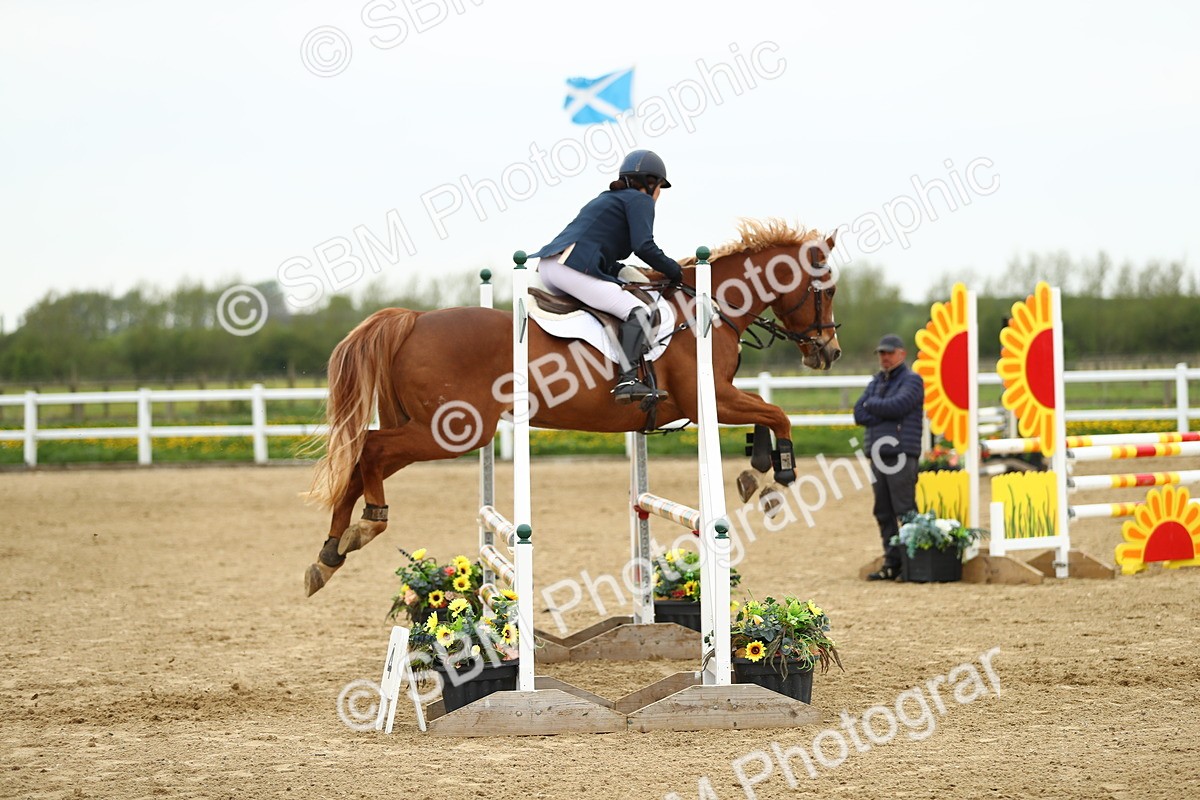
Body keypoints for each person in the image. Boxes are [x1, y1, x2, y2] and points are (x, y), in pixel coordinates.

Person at [528, 149, 684, 405]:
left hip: (550, 267)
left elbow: (601, 252)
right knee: (637, 310)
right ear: (651, 183)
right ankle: (627, 380)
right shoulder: (639, 200)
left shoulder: (611, 198)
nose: (659, 195)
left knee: (614, 301)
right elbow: (644, 246)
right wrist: (673, 270)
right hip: (568, 268)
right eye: (660, 188)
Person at [853, 333, 926, 581]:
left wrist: (873, 406)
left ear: (901, 354)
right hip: (878, 455)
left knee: (904, 510)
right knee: (883, 511)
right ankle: (892, 562)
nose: (884, 357)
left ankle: (911, 563)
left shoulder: (913, 381)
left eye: (889, 352)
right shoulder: (877, 381)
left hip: (902, 453)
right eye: (881, 353)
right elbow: (858, 413)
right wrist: (883, 410)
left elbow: (898, 406)